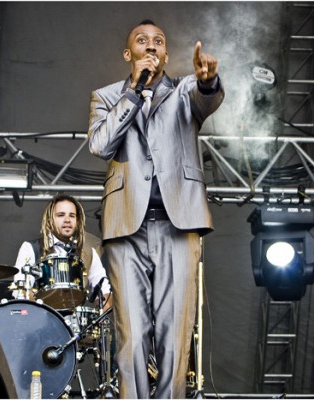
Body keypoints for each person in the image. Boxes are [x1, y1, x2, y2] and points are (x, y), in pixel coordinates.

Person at [88, 19, 224, 399]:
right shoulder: (106, 96)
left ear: (166, 54)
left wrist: (208, 81)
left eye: (159, 42)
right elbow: (100, 145)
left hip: (178, 225)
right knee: (130, 334)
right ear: (128, 54)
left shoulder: (184, 91)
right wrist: (133, 92)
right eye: (142, 41)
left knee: (175, 336)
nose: (151, 47)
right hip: (124, 229)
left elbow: (206, 99)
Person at [12, 193, 110, 308]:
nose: (67, 220)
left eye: (72, 216)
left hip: (75, 322)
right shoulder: (30, 248)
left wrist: (104, 308)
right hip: (41, 318)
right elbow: (20, 290)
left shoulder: (89, 253)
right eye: (61, 215)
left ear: (78, 221)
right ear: (50, 220)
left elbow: (105, 291)